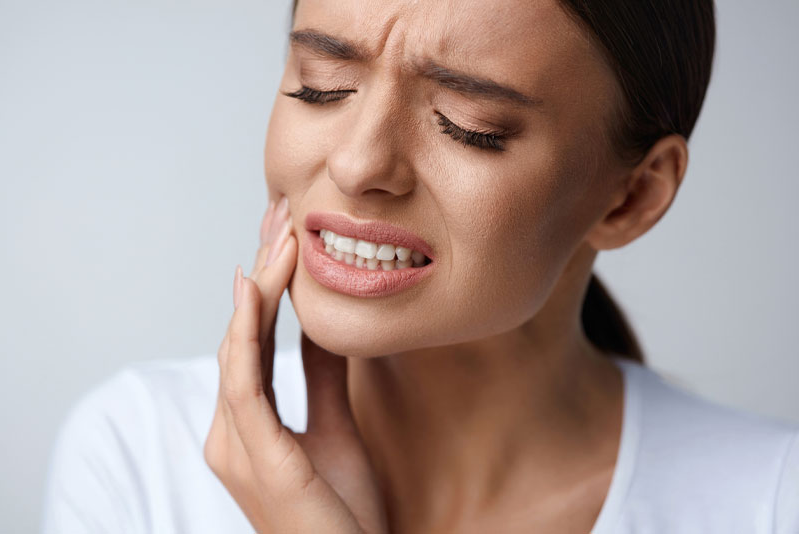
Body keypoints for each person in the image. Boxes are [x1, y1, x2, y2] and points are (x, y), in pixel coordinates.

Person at [42, 0, 799, 533]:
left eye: (469, 127)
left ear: (631, 196)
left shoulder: (769, 504)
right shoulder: (137, 455)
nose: (358, 163)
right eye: (321, 85)